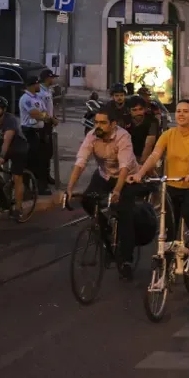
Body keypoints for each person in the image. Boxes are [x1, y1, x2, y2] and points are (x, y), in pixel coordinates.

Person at [65, 104, 144, 279]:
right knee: (87, 200)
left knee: (125, 215)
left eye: (102, 123)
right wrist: (69, 187)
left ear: (113, 124)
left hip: (127, 178)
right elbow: (81, 161)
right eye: (96, 122)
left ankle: (126, 260)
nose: (98, 126)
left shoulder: (123, 137)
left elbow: (124, 167)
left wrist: (117, 191)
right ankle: (105, 227)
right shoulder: (92, 136)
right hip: (104, 175)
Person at [130, 100, 189, 256]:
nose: (181, 114)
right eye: (178, 111)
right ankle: (166, 273)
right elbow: (154, 155)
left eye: (185, 111)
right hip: (171, 185)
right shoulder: (168, 134)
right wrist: (140, 173)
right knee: (169, 226)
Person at [19, 76, 52, 195]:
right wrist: (46, 117)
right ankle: (27, 188)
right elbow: (35, 114)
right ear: (33, 85)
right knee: (31, 161)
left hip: (40, 131)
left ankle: (40, 186)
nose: (39, 86)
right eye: (38, 84)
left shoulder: (37, 97)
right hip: (29, 132)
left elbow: (43, 112)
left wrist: (47, 117)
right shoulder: (26, 99)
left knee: (42, 160)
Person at [37, 69, 59, 186]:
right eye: (52, 78)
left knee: (49, 151)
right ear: (47, 78)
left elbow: (49, 106)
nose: (53, 80)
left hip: (49, 123)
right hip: (43, 125)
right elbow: (40, 111)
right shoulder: (39, 91)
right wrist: (51, 119)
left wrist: (54, 116)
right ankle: (42, 178)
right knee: (44, 152)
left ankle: (46, 175)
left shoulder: (48, 90)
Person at [125, 96, 158, 164]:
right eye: (134, 110)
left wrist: (141, 165)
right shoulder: (125, 120)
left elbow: (149, 143)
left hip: (151, 155)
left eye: (140, 109)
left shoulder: (152, 121)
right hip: (129, 155)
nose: (138, 113)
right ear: (129, 111)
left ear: (145, 109)